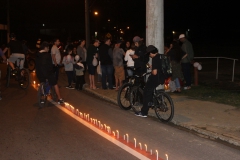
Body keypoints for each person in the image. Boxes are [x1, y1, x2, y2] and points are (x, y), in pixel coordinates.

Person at [135, 45, 165, 118]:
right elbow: (159, 67)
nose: (149, 55)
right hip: (162, 77)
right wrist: (152, 67)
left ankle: (144, 112)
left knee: (146, 92)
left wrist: (151, 71)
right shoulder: (161, 56)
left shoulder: (155, 58)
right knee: (150, 90)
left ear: (151, 53)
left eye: (149, 54)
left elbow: (154, 72)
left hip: (155, 78)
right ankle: (151, 101)